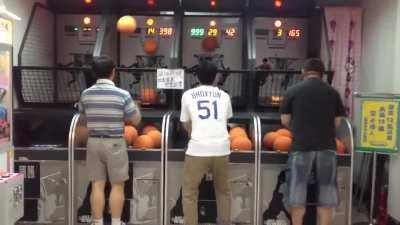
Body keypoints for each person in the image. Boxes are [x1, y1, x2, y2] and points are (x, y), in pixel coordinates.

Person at [280, 58, 345, 225]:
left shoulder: (293, 91)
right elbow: (337, 123)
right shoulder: (333, 93)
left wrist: (299, 129)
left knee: (297, 196)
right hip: (327, 148)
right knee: (326, 198)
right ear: (322, 74)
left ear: (303, 72)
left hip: (301, 147)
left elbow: (285, 120)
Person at [79, 55, 141, 225]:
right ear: (113, 72)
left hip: (93, 142)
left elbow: (83, 117)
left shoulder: (86, 94)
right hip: (115, 143)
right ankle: (115, 222)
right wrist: (135, 106)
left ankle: (97, 222)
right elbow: (135, 120)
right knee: (117, 185)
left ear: (94, 74)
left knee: (97, 184)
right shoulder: (122, 94)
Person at [180, 60, 233, 225]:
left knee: (190, 192)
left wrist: (193, 133)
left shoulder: (188, 95)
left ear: (196, 76)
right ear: (216, 77)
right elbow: (225, 120)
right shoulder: (224, 96)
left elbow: (185, 122)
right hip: (221, 148)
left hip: (197, 149)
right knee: (223, 191)